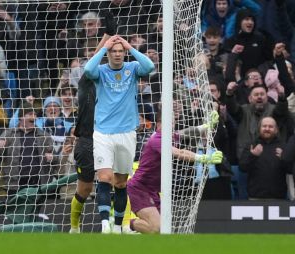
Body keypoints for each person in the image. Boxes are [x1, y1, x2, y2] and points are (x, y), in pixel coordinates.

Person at [84, 34, 155, 234]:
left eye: (119, 51)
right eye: (113, 51)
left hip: (126, 133)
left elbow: (149, 67)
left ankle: (117, 226)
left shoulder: (132, 69)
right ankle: (105, 223)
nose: (117, 54)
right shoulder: (100, 71)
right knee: (105, 177)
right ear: (108, 54)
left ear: (124, 53)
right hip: (103, 133)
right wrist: (104, 47)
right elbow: (87, 70)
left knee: (121, 182)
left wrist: (130, 48)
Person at [127, 111, 223, 233]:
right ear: (159, 124)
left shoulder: (170, 136)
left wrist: (206, 126)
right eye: (169, 122)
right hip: (139, 188)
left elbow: (186, 132)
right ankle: (128, 226)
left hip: (153, 191)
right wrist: (204, 158)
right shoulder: (157, 140)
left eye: (173, 122)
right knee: (157, 228)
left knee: (163, 230)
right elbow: (179, 153)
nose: (172, 125)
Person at [69, 12, 117, 234]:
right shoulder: (86, 81)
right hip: (87, 141)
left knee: (111, 182)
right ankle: (74, 226)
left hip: (108, 138)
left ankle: (111, 226)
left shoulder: (112, 82)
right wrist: (107, 36)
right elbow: (93, 61)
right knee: (85, 188)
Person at [239, 116, 289, 199]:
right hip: (255, 197)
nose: (267, 129)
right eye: (264, 126)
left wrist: (283, 158)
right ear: (259, 129)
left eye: (270, 126)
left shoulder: (283, 146)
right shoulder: (252, 145)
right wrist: (253, 156)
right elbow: (242, 168)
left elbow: (290, 170)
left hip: (278, 198)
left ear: (276, 130)